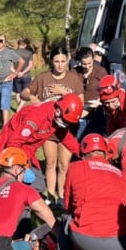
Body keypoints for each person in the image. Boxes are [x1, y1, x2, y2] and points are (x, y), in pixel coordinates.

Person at [53, 133, 126, 250]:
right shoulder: (120, 174)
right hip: (118, 238)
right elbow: (124, 203)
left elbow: (68, 205)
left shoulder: (75, 168)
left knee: (66, 219)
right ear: (105, 153)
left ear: (83, 153)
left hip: (86, 237)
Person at [18, 48, 85, 199]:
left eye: (63, 61)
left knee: (63, 165)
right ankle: (50, 196)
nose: (60, 65)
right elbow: (24, 92)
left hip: (68, 129)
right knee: (50, 163)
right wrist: (31, 97)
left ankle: (61, 195)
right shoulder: (43, 78)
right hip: (47, 129)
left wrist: (64, 92)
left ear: (67, 61)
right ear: (51, 62)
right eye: (56, 61)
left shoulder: (73, 79)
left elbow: (81, 102)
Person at [0, 92, 85, 196]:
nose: (66, 125)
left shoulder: (57, 119)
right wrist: (25, 168)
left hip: (26, 152)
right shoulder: (36, 116)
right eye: (65, 121)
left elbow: (66, 138)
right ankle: (13, 205)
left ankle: (24, 202)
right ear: (58, 111)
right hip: (10, 150)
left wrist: (83, 154)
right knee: (32, 185)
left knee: (38, 184)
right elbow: (14, 143)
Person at [74, 45, 110, 138]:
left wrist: (93, 106)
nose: (87, 66)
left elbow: (105, 90)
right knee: (78, 138)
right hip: (79, 109)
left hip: (96, 109)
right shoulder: (74, 72)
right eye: (84, 64)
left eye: (89, 63)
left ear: (93, 58)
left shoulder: (101, 71)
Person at [11, 38, 34, 113]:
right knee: (26, 93)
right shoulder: (29, 53)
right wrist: (23, 73)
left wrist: (16, 72)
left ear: (18, 44)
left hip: (16, 76)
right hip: (26, 76)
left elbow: (10, 66)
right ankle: (20, 108)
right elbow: (30, 65)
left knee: (17, 93)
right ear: (25, 45)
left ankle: (19, 108)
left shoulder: (13, 52)